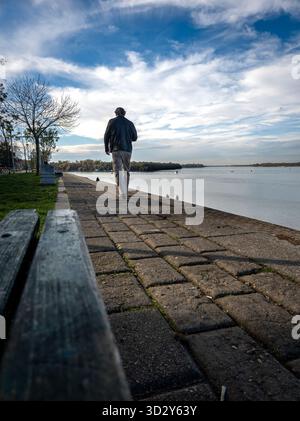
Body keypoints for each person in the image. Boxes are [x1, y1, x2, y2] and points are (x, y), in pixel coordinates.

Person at [104, 107, 137, 194]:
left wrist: (106, 148)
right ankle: (125, 191)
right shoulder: (130, 123)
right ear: (124, 113)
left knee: (117, 170)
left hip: (116, 149)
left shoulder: (112, 121)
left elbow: (106, 135)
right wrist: (127, 137)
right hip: (127, 150)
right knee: (126, 170)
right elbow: (135, 138)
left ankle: (121, 191)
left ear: (116, 113)